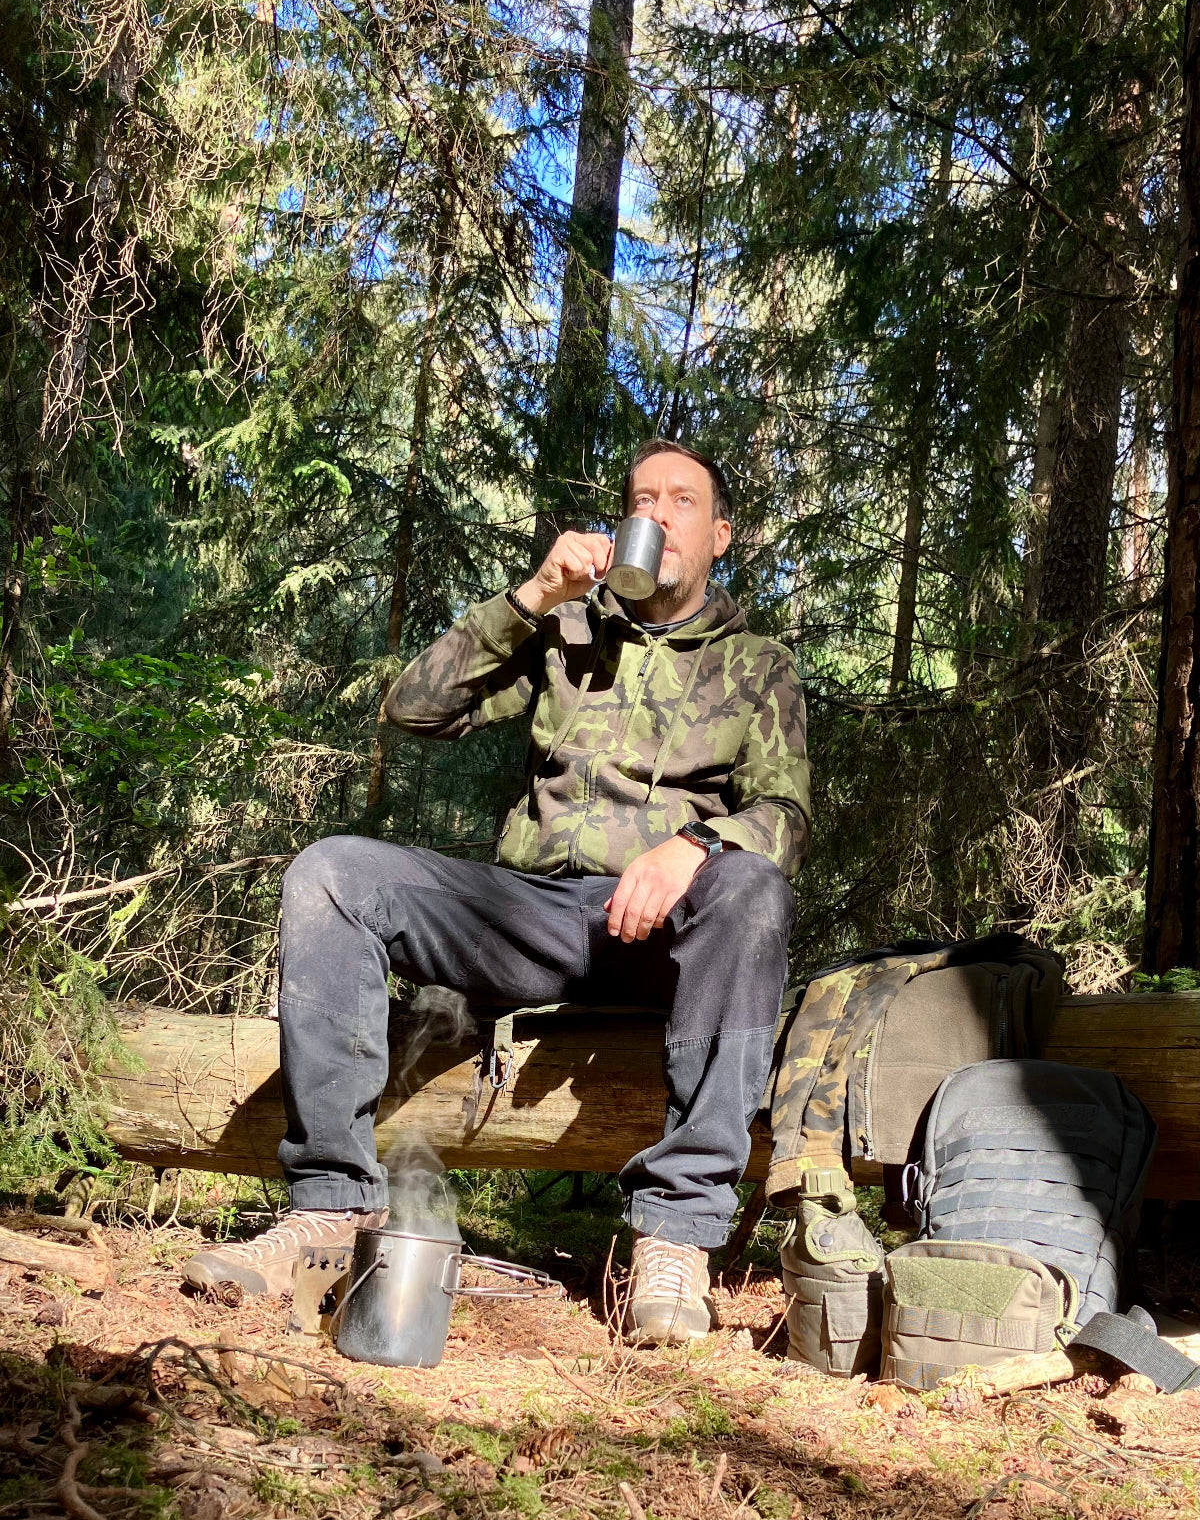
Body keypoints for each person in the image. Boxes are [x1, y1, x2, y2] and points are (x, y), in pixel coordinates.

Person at [183, 440, 812, 1344]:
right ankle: (330, 1208)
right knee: (333, 874)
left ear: (720, 534)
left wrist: (694, 847)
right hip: (527, 916)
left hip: (668, 942)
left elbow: (785, 816)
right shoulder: (568, 629)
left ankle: (675, 1238)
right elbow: (415, 708)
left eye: (682, 501)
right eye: (642, 499)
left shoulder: (757, 665)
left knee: (750, 890)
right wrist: (535, 597)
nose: (658, 514)